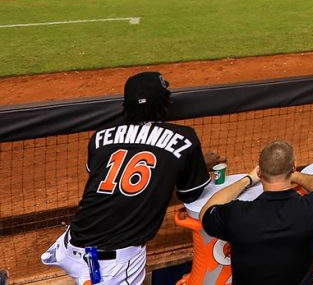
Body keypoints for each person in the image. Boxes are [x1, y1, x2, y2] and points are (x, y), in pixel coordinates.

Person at [42, 72, 218, 285]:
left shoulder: (100, 136)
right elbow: (192, 194)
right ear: (165, 103)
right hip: (113, 266)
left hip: (72, 243)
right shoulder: (184, 138)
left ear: (125, 105)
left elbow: (107, 185)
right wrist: (186, 169)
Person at [200, 141, 313, 285]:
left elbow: (205, 212)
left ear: (259, 172)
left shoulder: (238, 215)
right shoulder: (309, 209)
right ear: (293, 167)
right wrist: (294, 175)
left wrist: (247, 180)